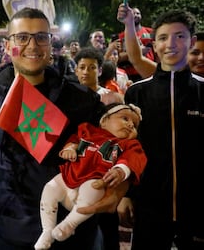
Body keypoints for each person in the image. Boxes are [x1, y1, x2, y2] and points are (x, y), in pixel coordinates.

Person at [0, 7, 130, 249]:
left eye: (41, 37)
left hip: (75, 234)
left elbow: (122, 148)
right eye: (22, 37)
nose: (32, 46)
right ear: (8, 44)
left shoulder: (80, 99)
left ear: (50, 44)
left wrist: (122, 189)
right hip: (11, 234)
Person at [121, 8, 204, 249]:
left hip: (198, 208)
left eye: (180, 36)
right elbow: (127, 148)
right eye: (163, 37)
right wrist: (126, 195)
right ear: (154, 45)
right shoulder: (137, 92)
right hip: (149, 206)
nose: (171, 44)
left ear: (192, 41)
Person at [35, 103, 147, 250]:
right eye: (125, 118)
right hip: (70, 175)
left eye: (134, 125)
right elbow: (74, 140)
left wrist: (120, 170)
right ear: (104, 120)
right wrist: (69, 149)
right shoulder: (87, 129)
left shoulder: (129, 144)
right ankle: (47, 230)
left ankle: (69, 224)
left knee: (93, 190)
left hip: (96, 179)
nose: (130, 125)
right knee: (49, 189)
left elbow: (135, 158)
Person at [117, 7, 154, 82]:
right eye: (133, 13)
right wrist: (138, 52)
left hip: (149, 71)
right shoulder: (121, 36)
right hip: (130, 74)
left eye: (138, 13)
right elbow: (118, 57)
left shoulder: (150, 32)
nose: (136, 15)